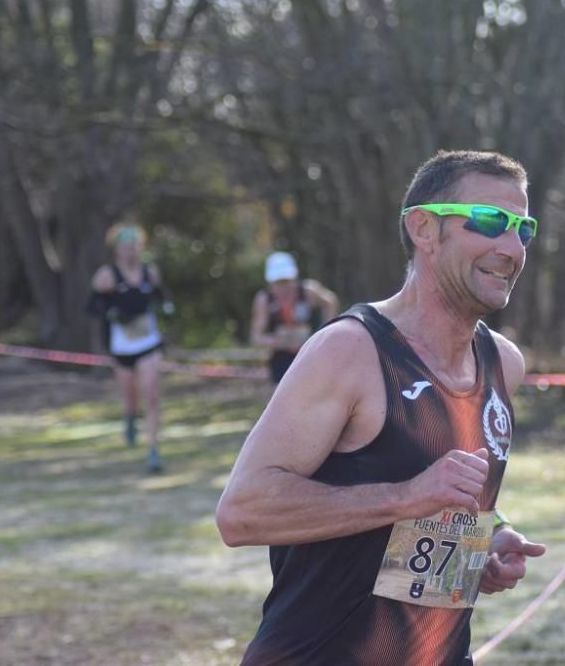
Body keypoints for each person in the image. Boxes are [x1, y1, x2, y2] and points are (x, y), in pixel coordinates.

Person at [217, 150, 547, 665]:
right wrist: (405, 497)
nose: (511, 248)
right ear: (424, 229)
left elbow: (435, 508)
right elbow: (241, 513)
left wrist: (487, 538)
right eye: (489, 222)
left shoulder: (503, 364)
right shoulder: (350, 351)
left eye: (523, 229)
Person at [89, 222, 172, 473]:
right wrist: (112, 313)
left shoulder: (150, 272)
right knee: (130, 397)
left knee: (152, 394)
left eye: (135, 245)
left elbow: (161, 296)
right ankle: (130, 418)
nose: (131, 250)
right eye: (126, 246)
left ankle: (154, 450)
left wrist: (166, 308)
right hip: (122, 346)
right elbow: (91, 308)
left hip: (149, 342)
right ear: (116, 249)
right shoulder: (106, 276)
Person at [250, 251, 340, 384]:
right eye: (278, 282)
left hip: (311, 353)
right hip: (281, 358)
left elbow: (331, 301)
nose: (283, 287)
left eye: (286, 281)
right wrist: (278, 342)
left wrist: (325, 331)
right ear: (270, 283)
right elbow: (256, 337)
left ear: (294, 278)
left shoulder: (308, 291)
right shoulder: (264, 300)